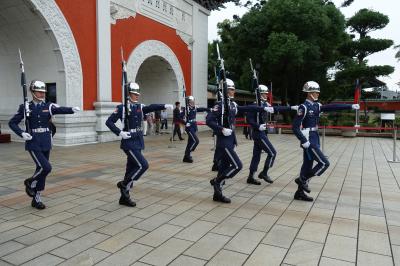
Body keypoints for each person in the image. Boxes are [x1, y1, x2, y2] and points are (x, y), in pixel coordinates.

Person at [8, 80, 80, 209]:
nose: (42, 94)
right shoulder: (25, 107)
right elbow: (12, 123)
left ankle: (36, 198)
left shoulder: (49, 106)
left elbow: (60, 109)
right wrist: (22, 133)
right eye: (39, 92)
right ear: (32, 92)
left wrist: (72, 110)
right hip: (33, 141)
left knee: (40, 169)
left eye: (43, 92)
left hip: (46, 141)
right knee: (46, 168)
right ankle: (29, 182)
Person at [106, 82, 173, 207]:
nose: (137, 96)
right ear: (129, 94)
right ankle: (124, 184)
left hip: (138, 141)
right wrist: (120, 132)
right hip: (129, 142)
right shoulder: (122, 108)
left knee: (130, 169)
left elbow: (151, 107)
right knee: (143, 165)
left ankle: (124, 197)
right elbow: (109, 122)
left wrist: (163, 105)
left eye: (137, 94)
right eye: (134, 94)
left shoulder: (139, 107)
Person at [206, 78, 272, 203]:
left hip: (230, 141)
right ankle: (217, 181)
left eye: (233, 89)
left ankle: (217, 194)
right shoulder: (219, 105)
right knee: (237, 165)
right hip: (223, 142)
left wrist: (262, 109)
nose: (233, 92)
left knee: (223, 167)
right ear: (224, 91)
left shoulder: (232, 104)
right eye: (231, 90)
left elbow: (246, 109)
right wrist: (221, 129)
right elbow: (209, 120)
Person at [292, 81, 359, 201]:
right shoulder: (304, 107)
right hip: (308, 140)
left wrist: (350, 106)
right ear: (309, 93)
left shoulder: (317, 106)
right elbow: (295, 127)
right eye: (315, 92)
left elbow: (332, 107)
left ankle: (299, 193)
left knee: (307, 165)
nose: (317, 94)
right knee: (324, 163)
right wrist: (303, 140)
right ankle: (302, 180)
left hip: (315, 137)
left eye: (317, 92)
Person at [246, 84, 298, 185]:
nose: (266, 96)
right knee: (272, 153)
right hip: (258, 133)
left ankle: (250, 177)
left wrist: (291, 108)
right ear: (259, 94)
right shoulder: (253, 105)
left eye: (266, 94)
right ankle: (264, 173)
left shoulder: (265, 105)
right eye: (264, 94)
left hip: (262, 133)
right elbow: (249, 120)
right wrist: (257, 126)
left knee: (256, 156)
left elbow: (278, 109)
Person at [182, 96, 210, 163]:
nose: (192, 102)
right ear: (188, 102)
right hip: (189, 127)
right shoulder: (185, 109)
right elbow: (178, 117)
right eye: (191, 101)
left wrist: (209, 109)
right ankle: (187, 154)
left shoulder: (195, 108)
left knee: (190, 142)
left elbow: (202, 109)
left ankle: (186, 157)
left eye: (193, 101)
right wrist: (185, 123)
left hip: (194, 127)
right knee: (196, 141)